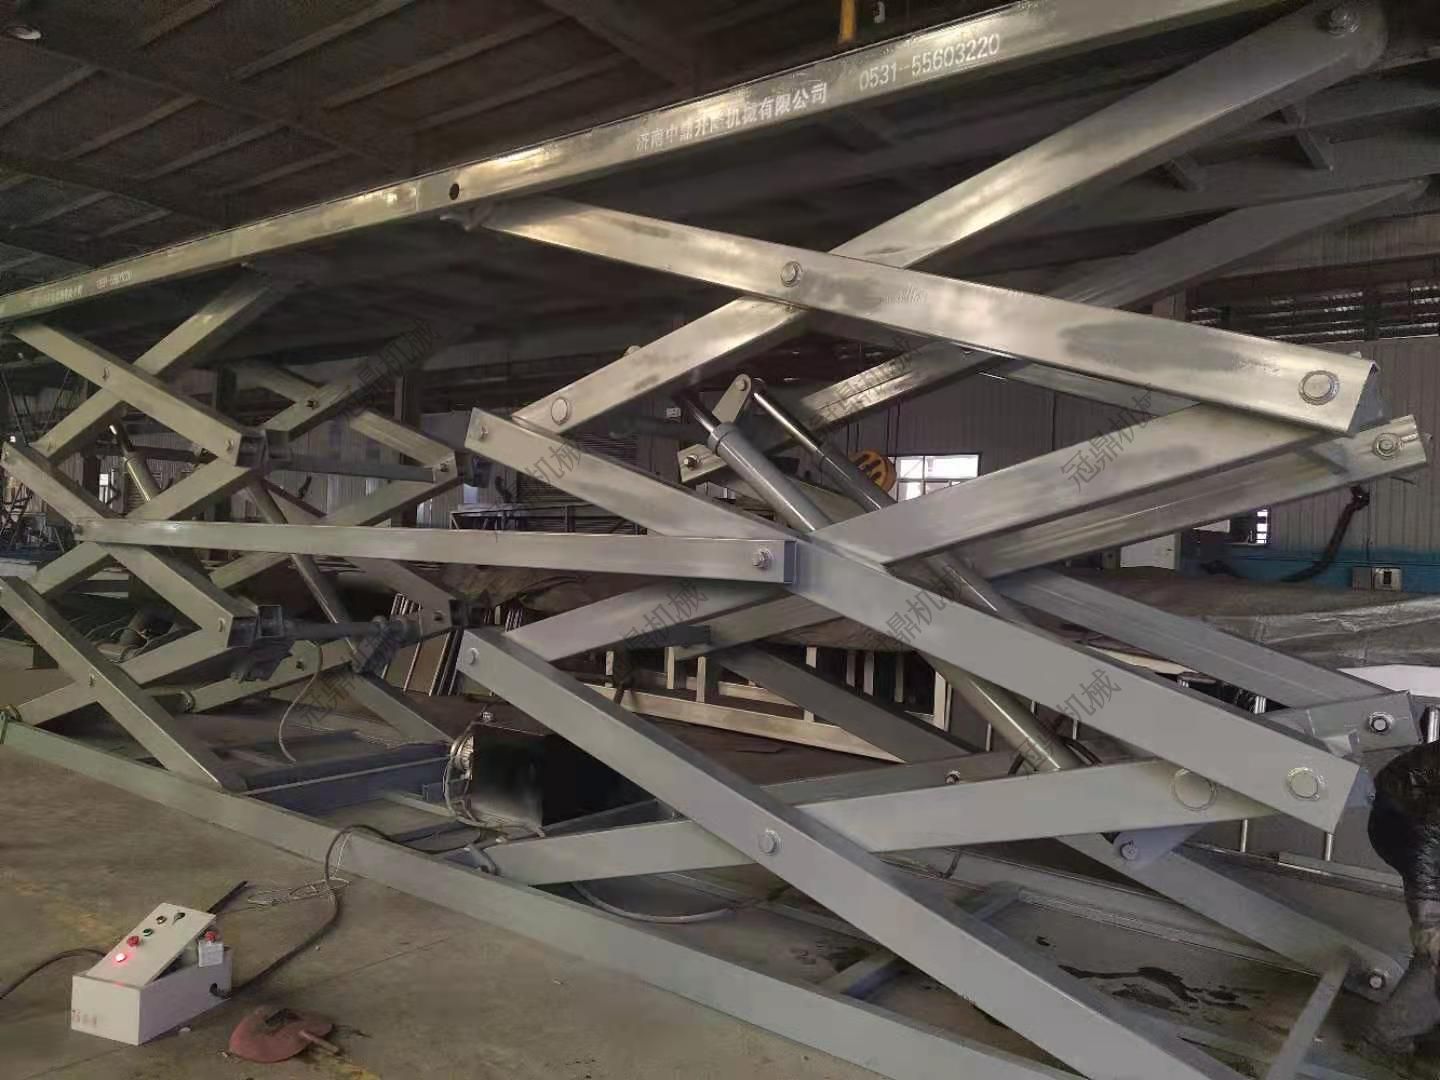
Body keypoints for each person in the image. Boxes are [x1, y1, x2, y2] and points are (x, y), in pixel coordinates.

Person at [1367, 740, 1440, 1057]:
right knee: (1435, 941)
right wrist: (1430, 919)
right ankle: (1388, 1038)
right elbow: (1429, 842)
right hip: (1409, 824)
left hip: (1412, 811)